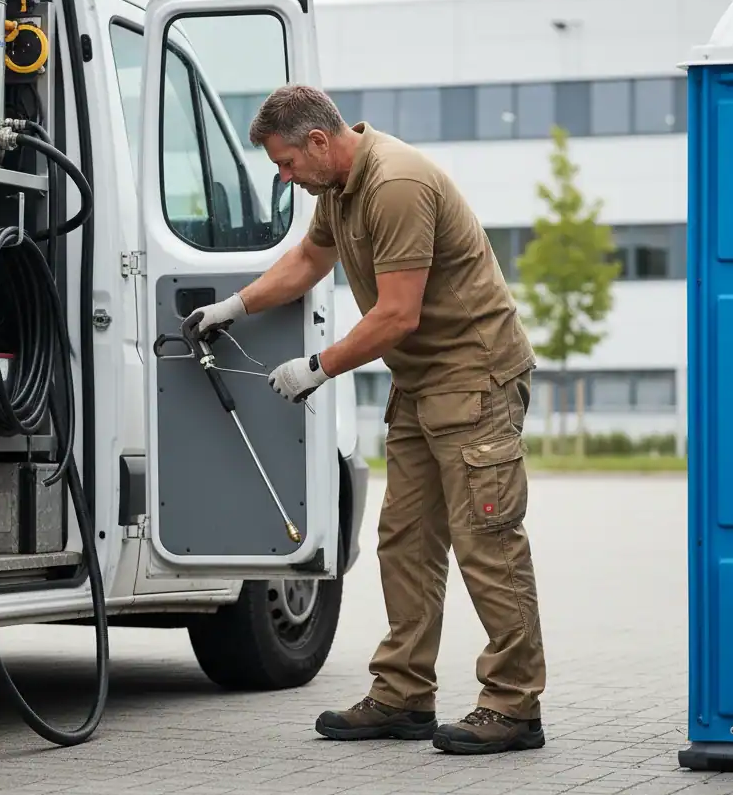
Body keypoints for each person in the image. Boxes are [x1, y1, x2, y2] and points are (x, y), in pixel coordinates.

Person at [183, 84, 546, 755]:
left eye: (287, 164)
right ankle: (403, 694)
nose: (285, 178)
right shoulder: (338, 191)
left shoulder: (395, 183)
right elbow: (306, 263)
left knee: (487, 542)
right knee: (403, 541)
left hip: (477, 379)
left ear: (319, 143)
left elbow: (396, 314)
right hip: (422, 384)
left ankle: (514, 704)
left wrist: (316, 368)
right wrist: (234, 307)